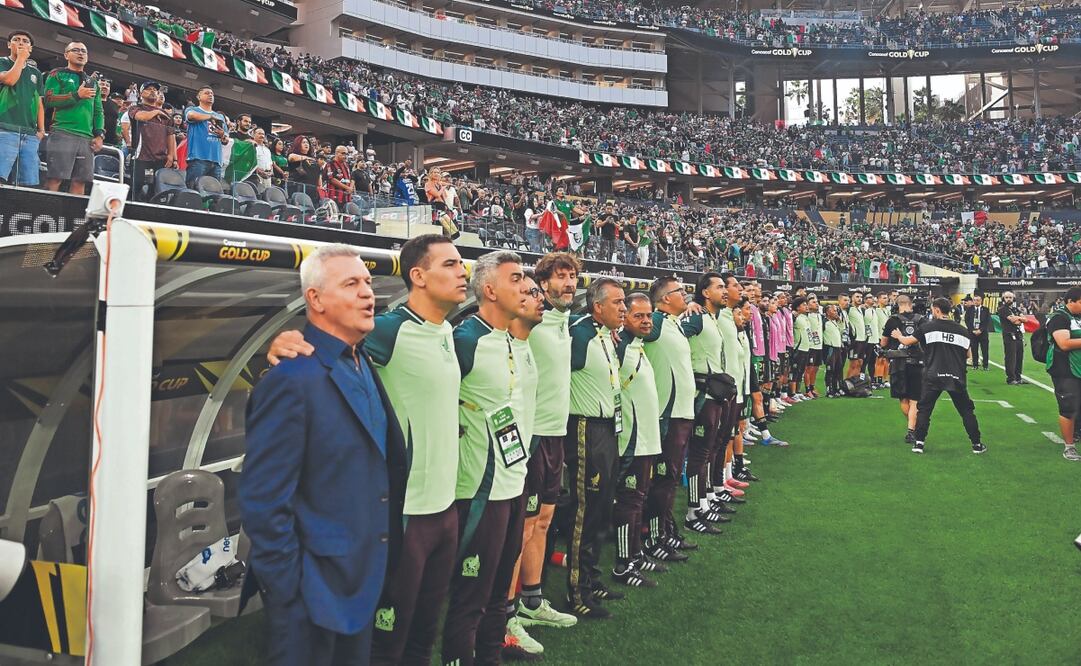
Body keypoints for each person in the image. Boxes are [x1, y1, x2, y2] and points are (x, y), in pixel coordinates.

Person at [266, 235, 469, 665]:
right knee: (386, 636)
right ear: (418, 275)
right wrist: (286, 345)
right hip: (404, 512)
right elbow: (329, 354)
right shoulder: (390, 328)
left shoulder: (449, 331)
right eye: (450, 264)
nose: (462, 272)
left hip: (445, 505)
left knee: (424, 629)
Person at [240, 244, 408, 666]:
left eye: (368, 283)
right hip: (311, 596)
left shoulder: (360, 360)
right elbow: (264, 501)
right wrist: (290, 593)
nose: (368, 294)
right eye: (351, 284)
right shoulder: (291, 379)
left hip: (361, 580)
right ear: (314, 299)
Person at [442, 250, 530, 666]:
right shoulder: (465, 338)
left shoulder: (508, 339)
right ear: (490, 289)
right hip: (479, 487)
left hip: (514, 480)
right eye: (516, 279)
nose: (526, 287)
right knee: (470, 594)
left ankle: (490, 657)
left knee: (499, 590)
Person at [514, 253, 581, 633]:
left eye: (572, 276)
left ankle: (533, 600)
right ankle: (507, 612)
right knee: (524, 527)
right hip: (534, 434)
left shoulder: (562, 322)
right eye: (560, 276)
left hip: (557, 432)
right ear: (543, 281)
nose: (569, 283)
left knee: (544, 521)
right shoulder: (532, 320)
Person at [564, 277, 626, 618]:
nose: (624, 308)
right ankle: (577, 591)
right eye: (617, 302)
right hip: (587, 428)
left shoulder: (605, 336)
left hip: (607, 427)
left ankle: (592, 577)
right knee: (585, 511)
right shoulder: (581, 333)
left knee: (602, 510)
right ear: (597, 306)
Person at [611, 292, 666, 588]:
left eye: (649, 315)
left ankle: (635, 553)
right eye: (639, 316)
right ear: (625, 317)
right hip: (631, 440)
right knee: (629, 501)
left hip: (647, 438)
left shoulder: (638, 346)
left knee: (639, 498)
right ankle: (623, 563)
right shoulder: (619, 347)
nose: (646, 321)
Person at [642, 277, 698, 560]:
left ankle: (666, 530)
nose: (686, 294)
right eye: (680, 291)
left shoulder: (674, 323)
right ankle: (655, 537)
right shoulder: (657, 321)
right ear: (664, 298)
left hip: (682, 412)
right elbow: (636, 329)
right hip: (669, 413)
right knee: (664, 478)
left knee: (671, 477)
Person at [892, 297, 986, 455]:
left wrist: (898, 335)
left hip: (933, 374)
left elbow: (908, 342)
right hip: (956, 375)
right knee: (966, 411)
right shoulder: (962, 330)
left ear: (936, 310)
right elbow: (968, 355)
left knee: (925, 410)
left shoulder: (928, 327)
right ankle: (976, 444)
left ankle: (919, 443)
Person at [43, 42, 103, 195]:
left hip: (86, 138)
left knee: (80, 181)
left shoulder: (93, 82)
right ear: (66, 55)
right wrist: (77, 95)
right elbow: (49, 100)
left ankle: (72, 217)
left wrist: (99, 134)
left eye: (84, 51)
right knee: (55, 179)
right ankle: (47, 213)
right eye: (75, 50)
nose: (80, 53)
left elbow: (97, 111)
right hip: (63, 132)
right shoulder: (57, 74)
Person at [0, 30, 45, 187]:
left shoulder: (36, 73)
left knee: (28, 183)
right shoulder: (2, 62)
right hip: (4, 128)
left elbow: (39, 102)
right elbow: (10, 80)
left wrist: (41, 130)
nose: (21, 42)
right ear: (8, 44)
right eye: (16, 40)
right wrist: (21, 58)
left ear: (30, 48)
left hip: (30, 134)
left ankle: (18, 213)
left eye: (25, 41)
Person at [880, 295, 925, 444]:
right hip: (918, 363)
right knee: (914, 400)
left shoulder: (892, 320)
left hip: (898, 364)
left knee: (903, 398)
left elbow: (883, 342)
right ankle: (913, 430)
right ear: (911, 304)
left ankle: (913, 429)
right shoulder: (922, 319)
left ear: (897, 304)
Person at [1044, 286, 1081, 461]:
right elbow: (1064, 343)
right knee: (1069, 407)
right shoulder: (1059, 317)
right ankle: (1069, 446)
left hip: (1079, 366)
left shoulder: (1078, 317)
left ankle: (1077, 433)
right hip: (1065, 369)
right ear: (1070, 302)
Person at [128, 81, 176, 201]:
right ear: (140, 93)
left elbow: (171, 135)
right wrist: (157, 111)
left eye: (155, 90)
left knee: (155, 192)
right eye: (149, 89)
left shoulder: (166, 116)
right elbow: (141, 117)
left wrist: (171, 155)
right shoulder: (135, 108)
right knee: (136, 191)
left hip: (160, 159)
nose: (153, 91)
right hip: (141, 158)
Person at [182, 86, 228, 188]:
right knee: (193, 190)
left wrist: (222, 135)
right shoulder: (192, 109)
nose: (210, 95)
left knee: (214, 194)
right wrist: (210, 116)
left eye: (212, 94)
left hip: (216, 161)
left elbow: (226, 140)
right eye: (207, 93)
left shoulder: (220, 117)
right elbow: (191, 116)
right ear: (199, 97)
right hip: (198, 158)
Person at [998, 291, 1026, 385]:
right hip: (1009, 335)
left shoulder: (1015, 309)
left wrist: (1018, 319)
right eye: (1006, 297)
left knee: (1019, 356)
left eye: (1010, 297)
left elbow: (1025, 319)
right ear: (1003, 299)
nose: (1008, 299)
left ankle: (1018, 377)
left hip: (1018, 334)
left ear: (1013, 298)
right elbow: (1014, 321)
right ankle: (1011, 378)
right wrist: (1018, 319)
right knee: (1011, 357)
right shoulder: (1002, 309)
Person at [965, 294, 991, 371]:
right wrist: (972, 330)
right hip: (972, 332)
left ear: (981, 301)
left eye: (978, 300)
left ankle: (985, 365)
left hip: (982, 333)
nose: (976, 302)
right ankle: (975, 364)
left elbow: (987, 321)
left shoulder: (985, 309)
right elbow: (967, 320)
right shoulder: (969, 309)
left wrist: (981, 330)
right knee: (974, 349)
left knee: (985, 349)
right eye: (974, 300)